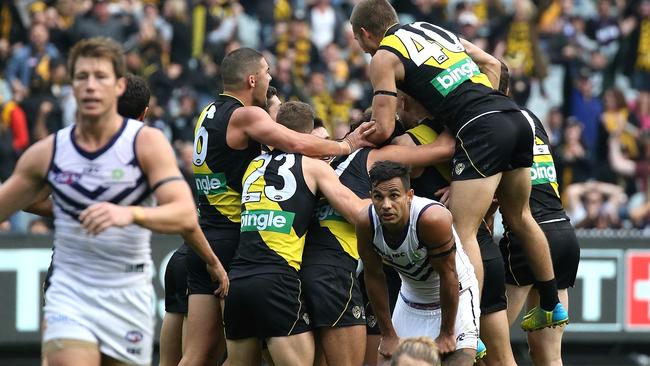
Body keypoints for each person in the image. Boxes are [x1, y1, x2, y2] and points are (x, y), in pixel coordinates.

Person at [0, 37, 227, 366]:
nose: (91, 86)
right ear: (71, 86)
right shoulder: (49, 151)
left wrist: (128, 214)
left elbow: (183, 213)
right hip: (70, 292)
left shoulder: (145, 143)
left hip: (127, 294)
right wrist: (72, 210)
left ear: (118, 85)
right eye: (82, 77)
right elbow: (14, 201)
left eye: (101, 76)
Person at [349, 0, 567, 331]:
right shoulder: (432, 29)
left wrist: (350, 142)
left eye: (359, 42)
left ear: (364, 34)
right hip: (511, 114)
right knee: (521, 217)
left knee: (463, 230)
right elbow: (493, 62)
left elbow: (381, 127)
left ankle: (470, 328)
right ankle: (552, 304)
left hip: (479, 128)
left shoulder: (383, 56)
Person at [180, 47, 375, 366]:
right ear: (252, 79)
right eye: (267, 71)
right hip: (237, 243)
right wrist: (345, 145)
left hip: (204, 242)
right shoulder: (246, 115)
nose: (271, 77)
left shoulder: (208, 112)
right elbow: (295, 143)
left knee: (199, 355)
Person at [223, 101, 370, 366]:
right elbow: (356, 212)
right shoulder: (313, 167)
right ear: (307, 134)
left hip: (238, 281)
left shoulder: (252, 166)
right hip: (277, 279)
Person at [303, 109, 455, 366]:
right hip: (336, 270)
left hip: (309, 266)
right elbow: (444, 148)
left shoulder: (336, 160)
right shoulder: (378, 156)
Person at [356, 161, 479, 366]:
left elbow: (449, 275)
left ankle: (471, 337)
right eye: (378, 197)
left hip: (457, 294)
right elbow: (373, 275)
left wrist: (447, 333)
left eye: (394, 196)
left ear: (409, 196)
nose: (386, 204)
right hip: (411, 296)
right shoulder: (366, 223)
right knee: (386, 361)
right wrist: (387, 334)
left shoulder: (432, 219)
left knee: (458, 362)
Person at [500, 108, 580, 365]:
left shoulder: (492, 122)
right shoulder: (531, 118)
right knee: (549, 356)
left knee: (488, 347)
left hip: (529, 237)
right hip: (564, 232)